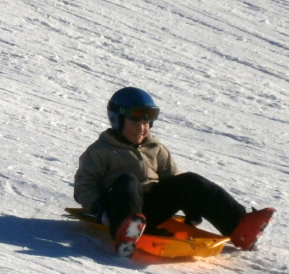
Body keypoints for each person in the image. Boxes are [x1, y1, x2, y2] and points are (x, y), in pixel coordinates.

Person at [74, 86, 274, 256]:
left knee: (190, 180)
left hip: (150, 209)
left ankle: (239, 227)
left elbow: (174, 181)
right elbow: (85, 185)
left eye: (146, 123)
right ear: (117, 120)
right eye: (135, 122)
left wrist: (191, 209)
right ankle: (126, 232)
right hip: (118, 208)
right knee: (128, 180)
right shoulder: (100, 151)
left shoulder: (155, 147)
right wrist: (101, 212)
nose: (142, 128)